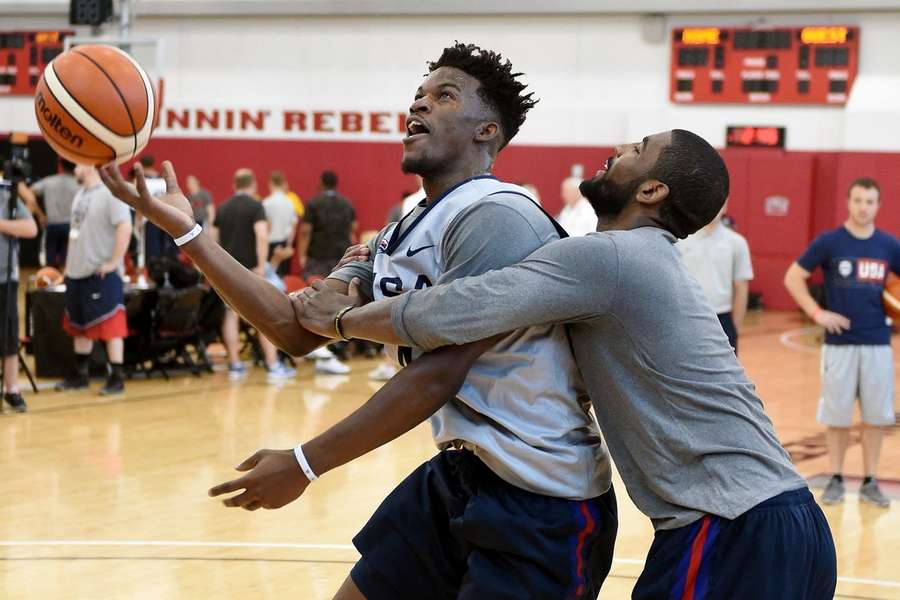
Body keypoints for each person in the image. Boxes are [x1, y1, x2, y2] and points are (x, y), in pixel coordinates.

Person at [100, 42, 617, 600]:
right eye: (418, 95)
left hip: (543, 496)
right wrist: (188, 233)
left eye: (444, 97)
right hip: (462, 474)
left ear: (486, 130)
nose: (419, 107)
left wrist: (304, 463)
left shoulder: (499, 215)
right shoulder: (398, 233)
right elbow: (295, 329)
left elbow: (440, 373)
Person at [294, 129, 837, 599]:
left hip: (733, 525)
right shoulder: (637, 260)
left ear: (652, 190)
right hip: (783, 520)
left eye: (638, 147)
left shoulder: (610, 257)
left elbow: (454, 310)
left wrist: (343, 319)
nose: (620, 147)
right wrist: (370, 260)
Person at [784, 176, 900, 508]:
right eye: (858, 200)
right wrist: (817, 313)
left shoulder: (889, 246)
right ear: (849, 202)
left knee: (876, 418)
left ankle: (871, 480)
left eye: (870, 201)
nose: (864, 207)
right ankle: (835, 477)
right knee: (837, 417)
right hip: (839, 344)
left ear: (878, 205)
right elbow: (793, 277)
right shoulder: (830, 242)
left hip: (877, 343)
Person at [55, 166, 132, 396]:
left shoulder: (111, 193)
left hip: (102, 273)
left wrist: (113, 262)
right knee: (78, 326)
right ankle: (81, 375)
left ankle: (117, 376)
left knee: (111, 325)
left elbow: (125, 227)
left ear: (90, 166)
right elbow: (74, 233)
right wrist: (68, 266)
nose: (74, 169)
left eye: (78, 164)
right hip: (76, 273)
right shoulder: (79, 195)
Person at [212, 168, 295, 383]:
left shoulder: (223, 207)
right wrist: (260, 264)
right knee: (263, 315)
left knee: (230, 316)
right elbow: (261, 235)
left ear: (234, 185)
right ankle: (273, 364)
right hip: (249, 269)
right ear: (253, 185)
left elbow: (212, 239)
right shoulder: (256, 206)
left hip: (226, 271)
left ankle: (235, 365)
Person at [678, 203, 753, 353]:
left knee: (725, 375)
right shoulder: (680, 240)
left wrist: (735, 327)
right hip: (685, 318)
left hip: (722, 319)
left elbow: (741, 287)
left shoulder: (737, 242)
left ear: (726, 205)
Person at [0, 176, 38, 411]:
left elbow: (31, 228)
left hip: (5, 277)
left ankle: (11, 389)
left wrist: (2, 224)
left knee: (9, 334)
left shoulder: (7, 198)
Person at [297, 171, 357, 277]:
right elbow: (353, 226)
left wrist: (302, 255)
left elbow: (306, 231)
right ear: (336, 184)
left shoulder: (313, 203)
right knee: (339, 287)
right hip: (341, 255)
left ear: (321, 183)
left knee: (315, 289)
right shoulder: (347, 203)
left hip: (318, 257)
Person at [27, 159, 78, 268]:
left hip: (52, 224)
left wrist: (40, 214)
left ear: (61, 165)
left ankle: (49, 281)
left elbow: (29, 192)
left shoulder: (49, 181)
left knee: (49, 260)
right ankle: (63, 283)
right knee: (67, 261)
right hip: (70, 225)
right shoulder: (78, 183)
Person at [263, 171, 298, 277]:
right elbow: (293, 226)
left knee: (268, 279)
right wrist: (288, 245)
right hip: (284, 245)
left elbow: (265, 227)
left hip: (269, 246)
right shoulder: (290, 203)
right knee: (283, 279)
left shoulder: (266, 203)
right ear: (283, 183)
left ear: (271, 183)